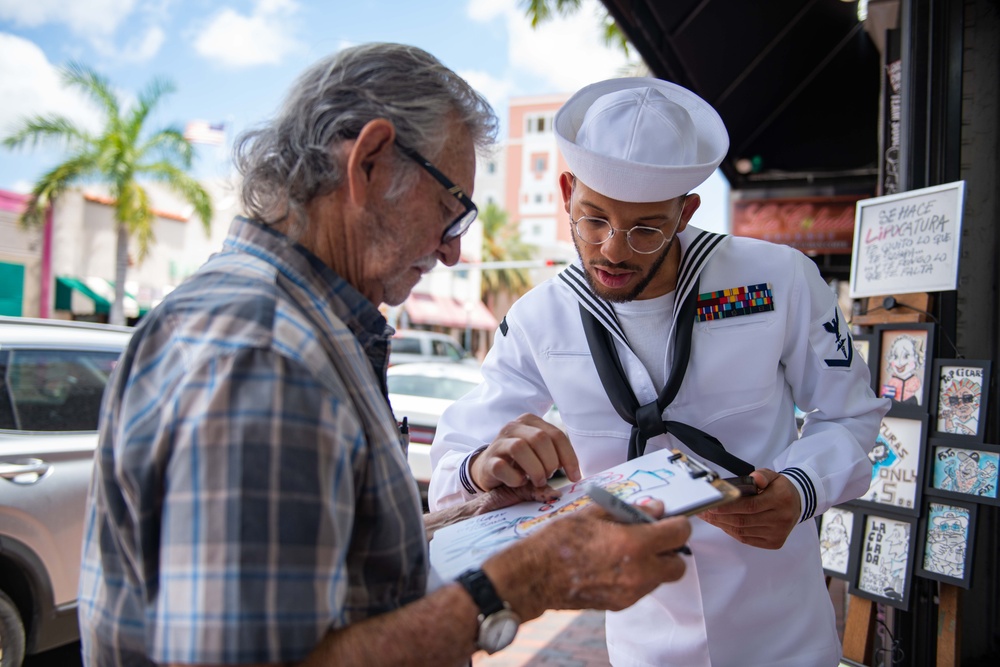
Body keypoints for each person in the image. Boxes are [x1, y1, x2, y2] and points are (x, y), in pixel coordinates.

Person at [77, 45, 693, 667]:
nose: (453, 252)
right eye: (454, 211)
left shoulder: (282, 328)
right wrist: (525, 581)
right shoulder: (265, 352)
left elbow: (326, 568)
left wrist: (479, 519)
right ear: (369, 162)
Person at [429, 77, 891, 667]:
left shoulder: (778, 281)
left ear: (685, 211)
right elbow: (453, 467)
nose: (613, 250)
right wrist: (484, 464)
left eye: (645, 228)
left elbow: (852, 416)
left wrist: (803, 488)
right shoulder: (539, 318)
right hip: (640, 639)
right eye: (592, 220)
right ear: (567, 191)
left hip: (785, 632)